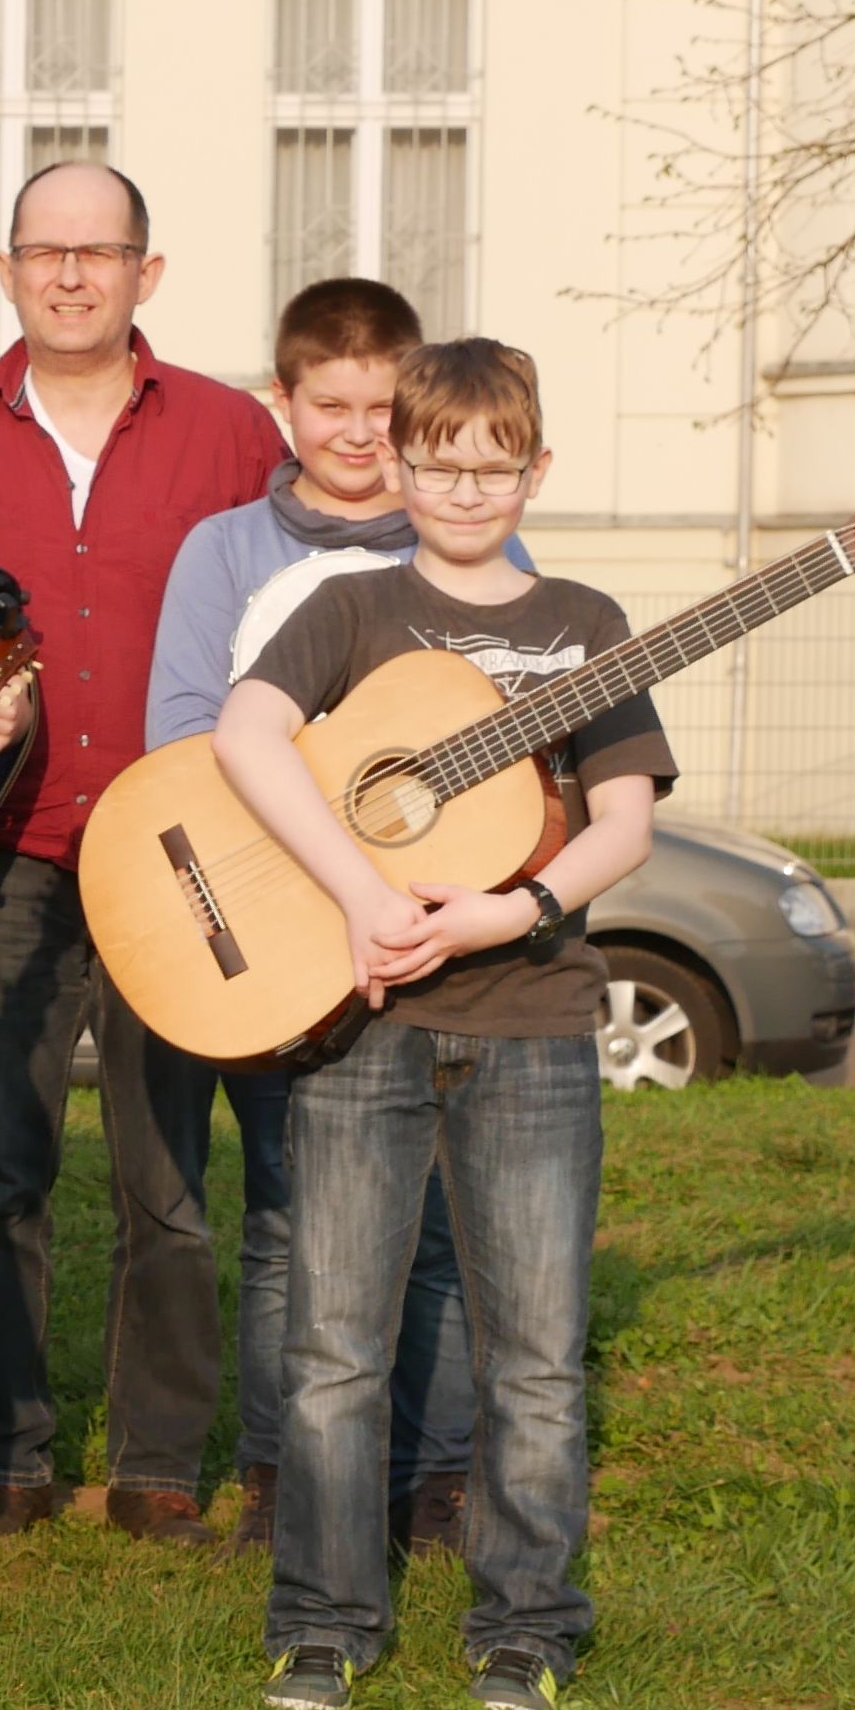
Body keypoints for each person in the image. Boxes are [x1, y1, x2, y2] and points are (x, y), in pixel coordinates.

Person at [209, 339, 664, 1710]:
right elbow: (244, 731)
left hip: (528, 1017)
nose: (467, 489)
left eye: (495, 465)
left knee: (533, 1345)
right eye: (440, 463)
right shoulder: (353, 609)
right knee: (336, 1339)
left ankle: (528, 1622)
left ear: (536, 469)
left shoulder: (586, 622)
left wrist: (509, 910)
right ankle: (325, 1620)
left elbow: (625, 822)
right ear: (396, 466)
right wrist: (359, 891)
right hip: (361, 1018)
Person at [0, 164, 286, 1549]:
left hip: (185, 846)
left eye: (96, 253)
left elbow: (280, 617)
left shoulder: (235, 434)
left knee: (169, 1174)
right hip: (10, 851)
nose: (69, 276)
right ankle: (7, 1449)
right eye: (44, 253)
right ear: (6, 270)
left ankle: (160, 1454)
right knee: (1, 1168)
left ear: (144, 274)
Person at [152, 278, 503, 1557]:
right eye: (332, 405)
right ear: (281, 405)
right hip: (277, 934)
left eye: (381, 407)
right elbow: (184, 739)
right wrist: (321, 874)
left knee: (437, 1223)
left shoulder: (477, 552)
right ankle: (278, 1474)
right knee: (286, 1218)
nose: (358, 433)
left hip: (423, 933)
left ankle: (436, 1478)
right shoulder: (227, 553)